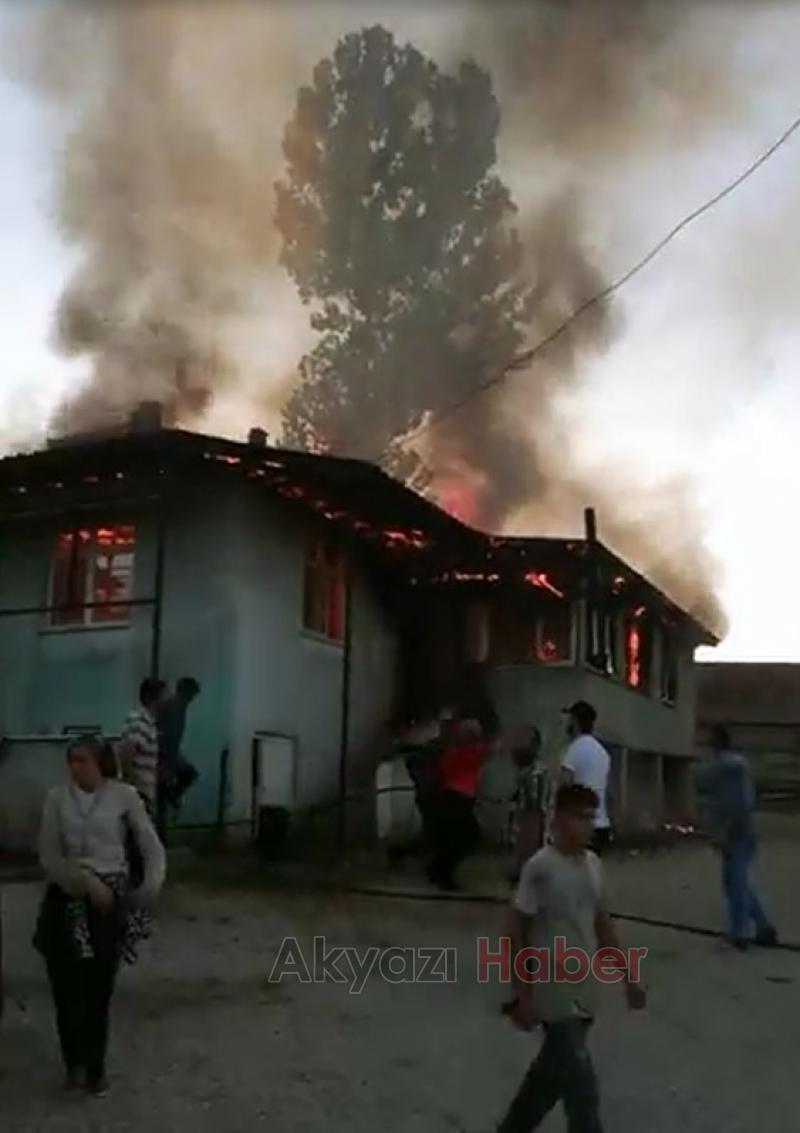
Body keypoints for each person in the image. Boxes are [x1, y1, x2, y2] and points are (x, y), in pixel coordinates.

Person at [495, 784, 646, 1133]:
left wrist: (629, 978)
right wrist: (523, 995)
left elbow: (602, 925)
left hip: (584, 989)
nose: (588, 825)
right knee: (582, 1087)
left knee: (550, 1075)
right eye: (581, 817)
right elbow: (515, 932)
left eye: (592, 818)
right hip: (553, 990)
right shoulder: (541, 867)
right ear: (560, 819)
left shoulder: (593, 864)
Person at [35, 735, 165, 1097]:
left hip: (109, 903)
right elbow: (49, 855)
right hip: (67, 899)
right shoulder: (57, 799)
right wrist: (84, 883)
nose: (75, 767)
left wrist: (148, 889)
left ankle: (95, 1068)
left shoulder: (124, 797)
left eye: (82, 760)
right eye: (71, 761)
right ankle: (73, 1065)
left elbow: (150, 846)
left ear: (99, 763)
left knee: (97, 989)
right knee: (66, 987)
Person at [706, 724, 778, 950]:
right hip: (742, 831)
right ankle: (763, 927)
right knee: (737, 882)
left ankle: (739, 934)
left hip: (736, 833)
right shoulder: (736, 766)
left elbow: (734, 804)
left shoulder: (727, 768)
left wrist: (723, 832)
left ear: (715, 744)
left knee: (735, 884)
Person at [427, 716, 489, 891]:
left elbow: (444, 771)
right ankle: (443, 875)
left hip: (452, 797)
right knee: (462, 838)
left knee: (452, 839)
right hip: (458, 798)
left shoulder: (454, 752)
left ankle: (438, 871)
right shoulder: (471, 751)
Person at [560, 701, 611, 855]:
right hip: (601, 824)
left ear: (575, 722)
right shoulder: (602, 752)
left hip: (579, 826)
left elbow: (565, 788)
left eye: (569, 719)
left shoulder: (573, 750)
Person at [118, 678, 166, 815]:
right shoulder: (140, 721)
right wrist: (130, 783)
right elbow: (127, 751)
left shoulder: (148, 722)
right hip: (138, 790)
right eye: (163, 698)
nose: (165, 703)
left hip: (143, 789)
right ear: (152, 699)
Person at [157, 676, 201, 818]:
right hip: (163, 754)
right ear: (187, 693)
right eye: (192, 695)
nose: (192, 699)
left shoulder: (173, 704)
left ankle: (170, 793)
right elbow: (170, 736)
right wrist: (170, 765)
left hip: (164, 752)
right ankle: (171, 795)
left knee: (187, 773)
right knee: (189, 773)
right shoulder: (176, 707)